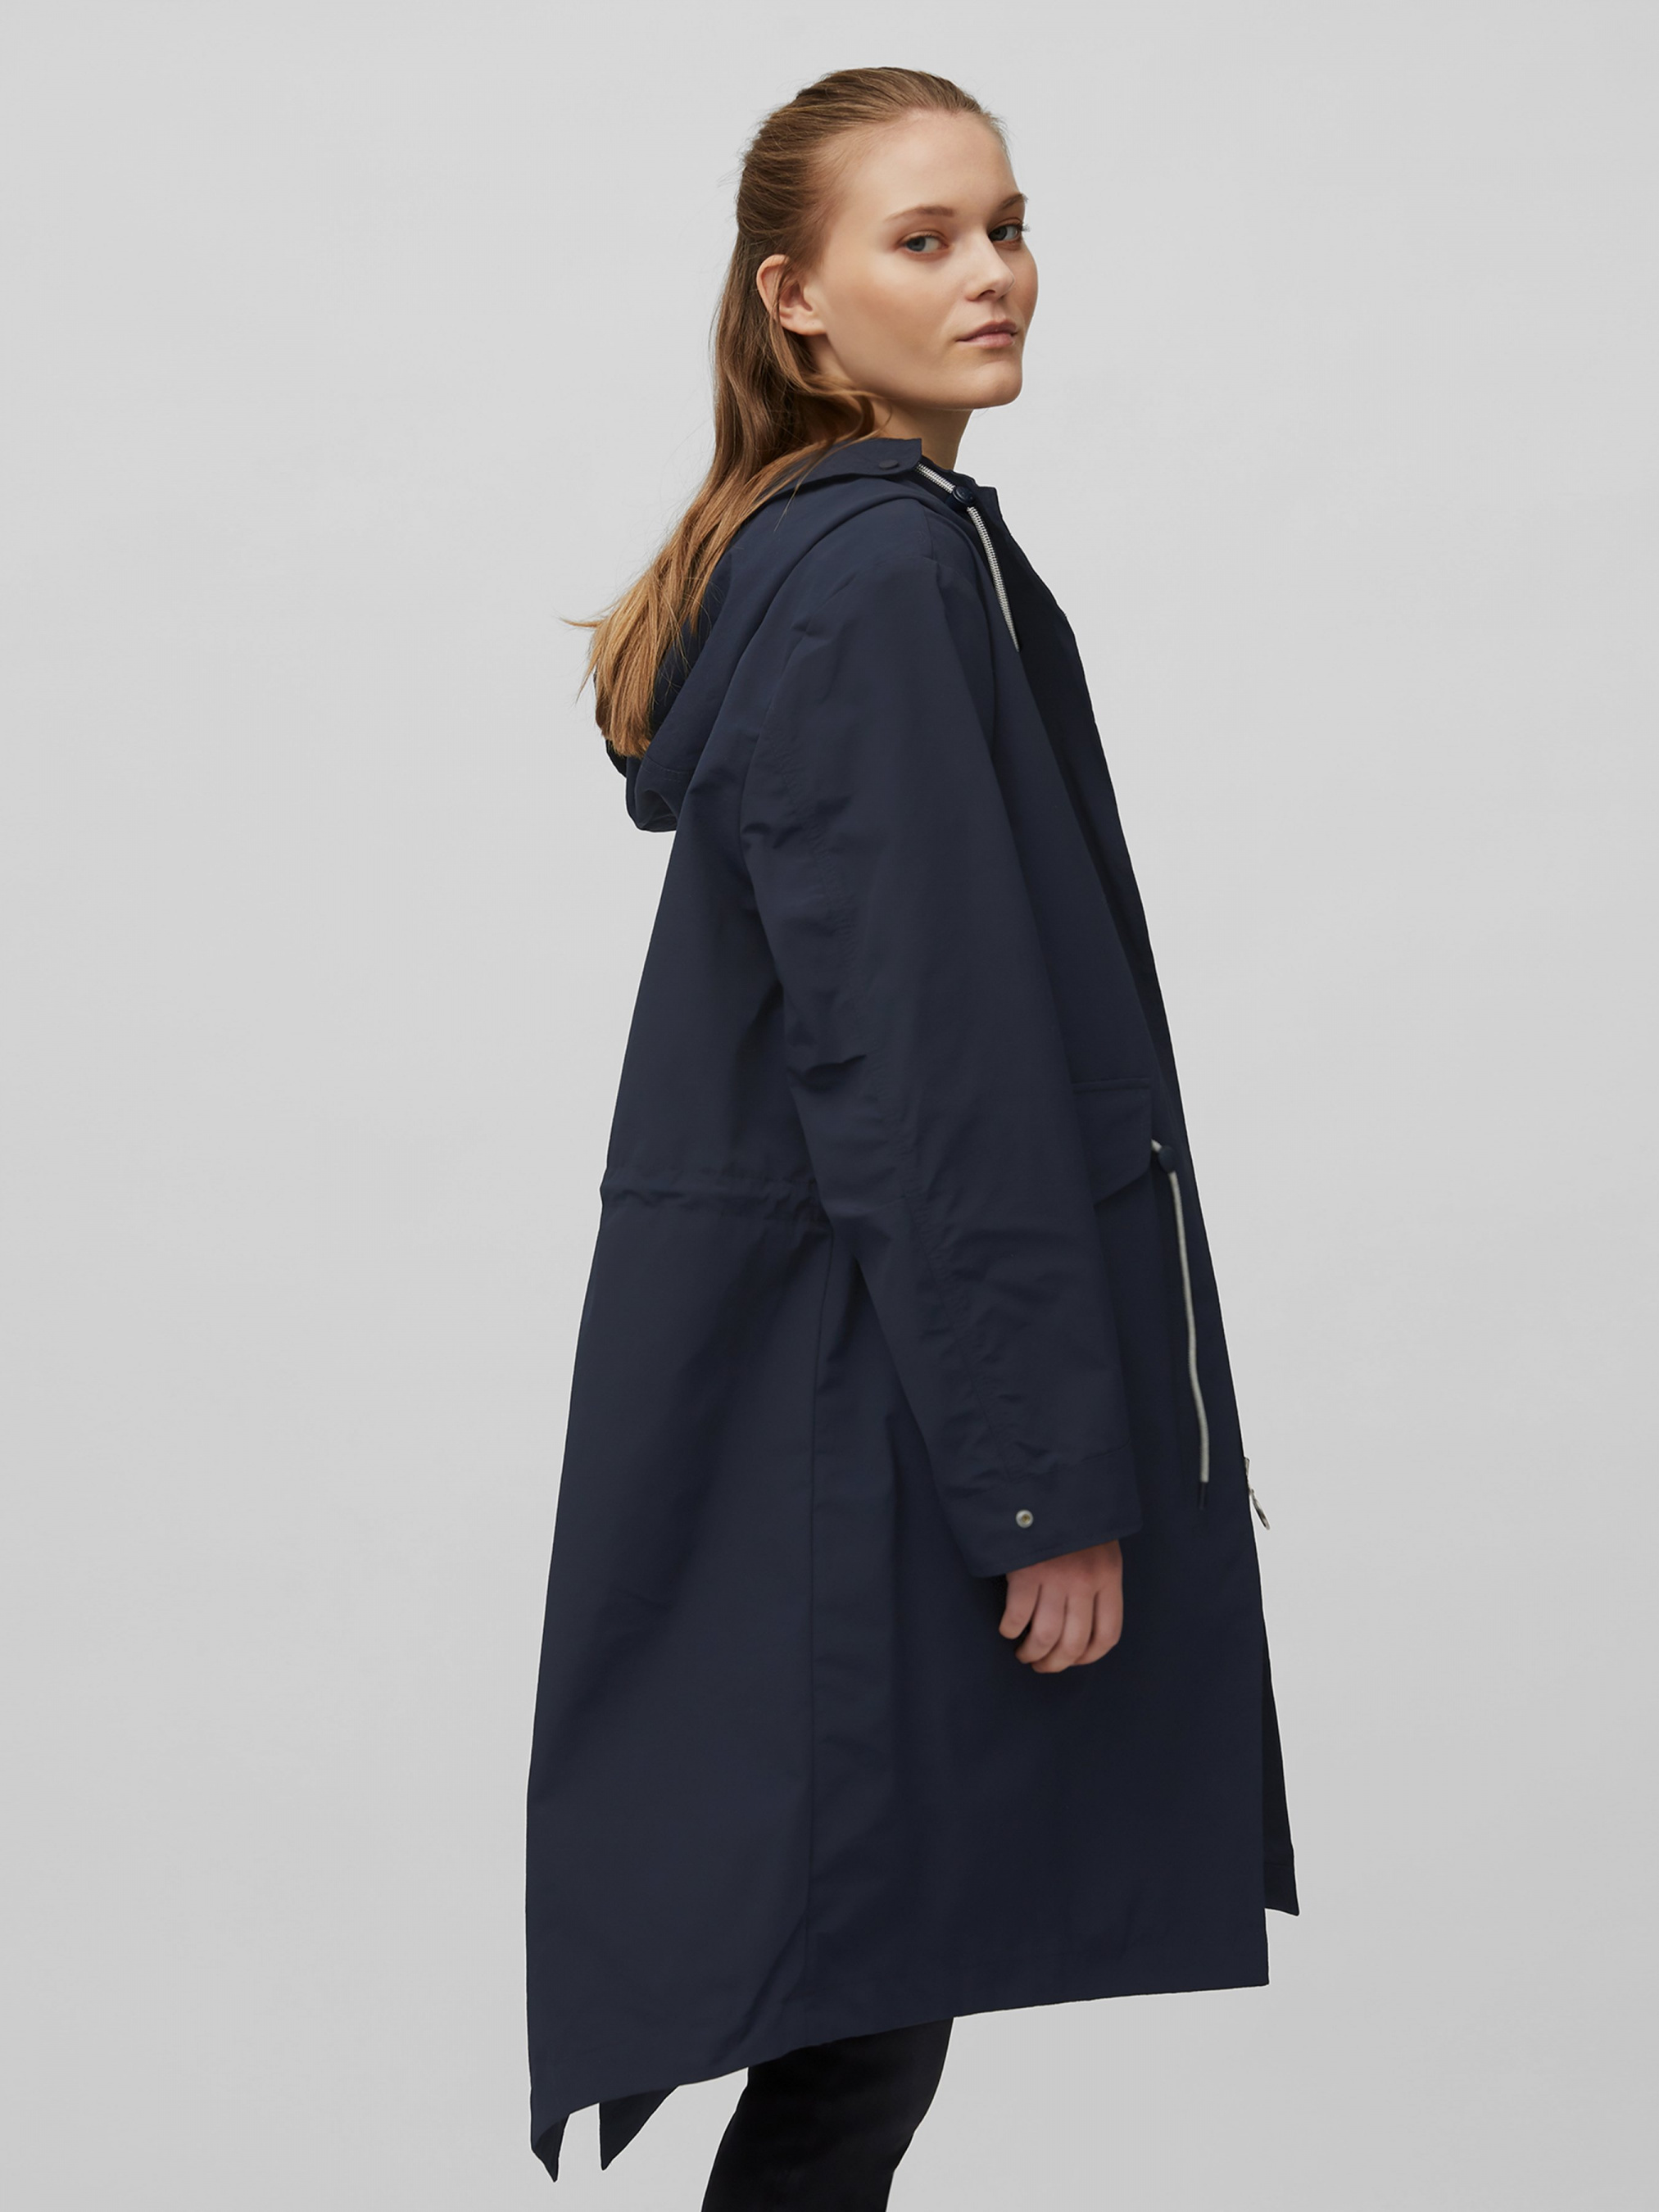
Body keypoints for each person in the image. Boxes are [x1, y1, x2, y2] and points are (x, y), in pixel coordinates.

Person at [526, 65, 1299, 2206]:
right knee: (861, 2008)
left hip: (848, 1383)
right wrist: (1044, 1488)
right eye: (924, 239)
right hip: (873, 1405)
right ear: (795, 298)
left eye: (1006, 226)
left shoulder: (881, 553)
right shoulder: (876, 579)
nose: (992, 276)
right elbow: (932, 1066)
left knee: (868, 2002)